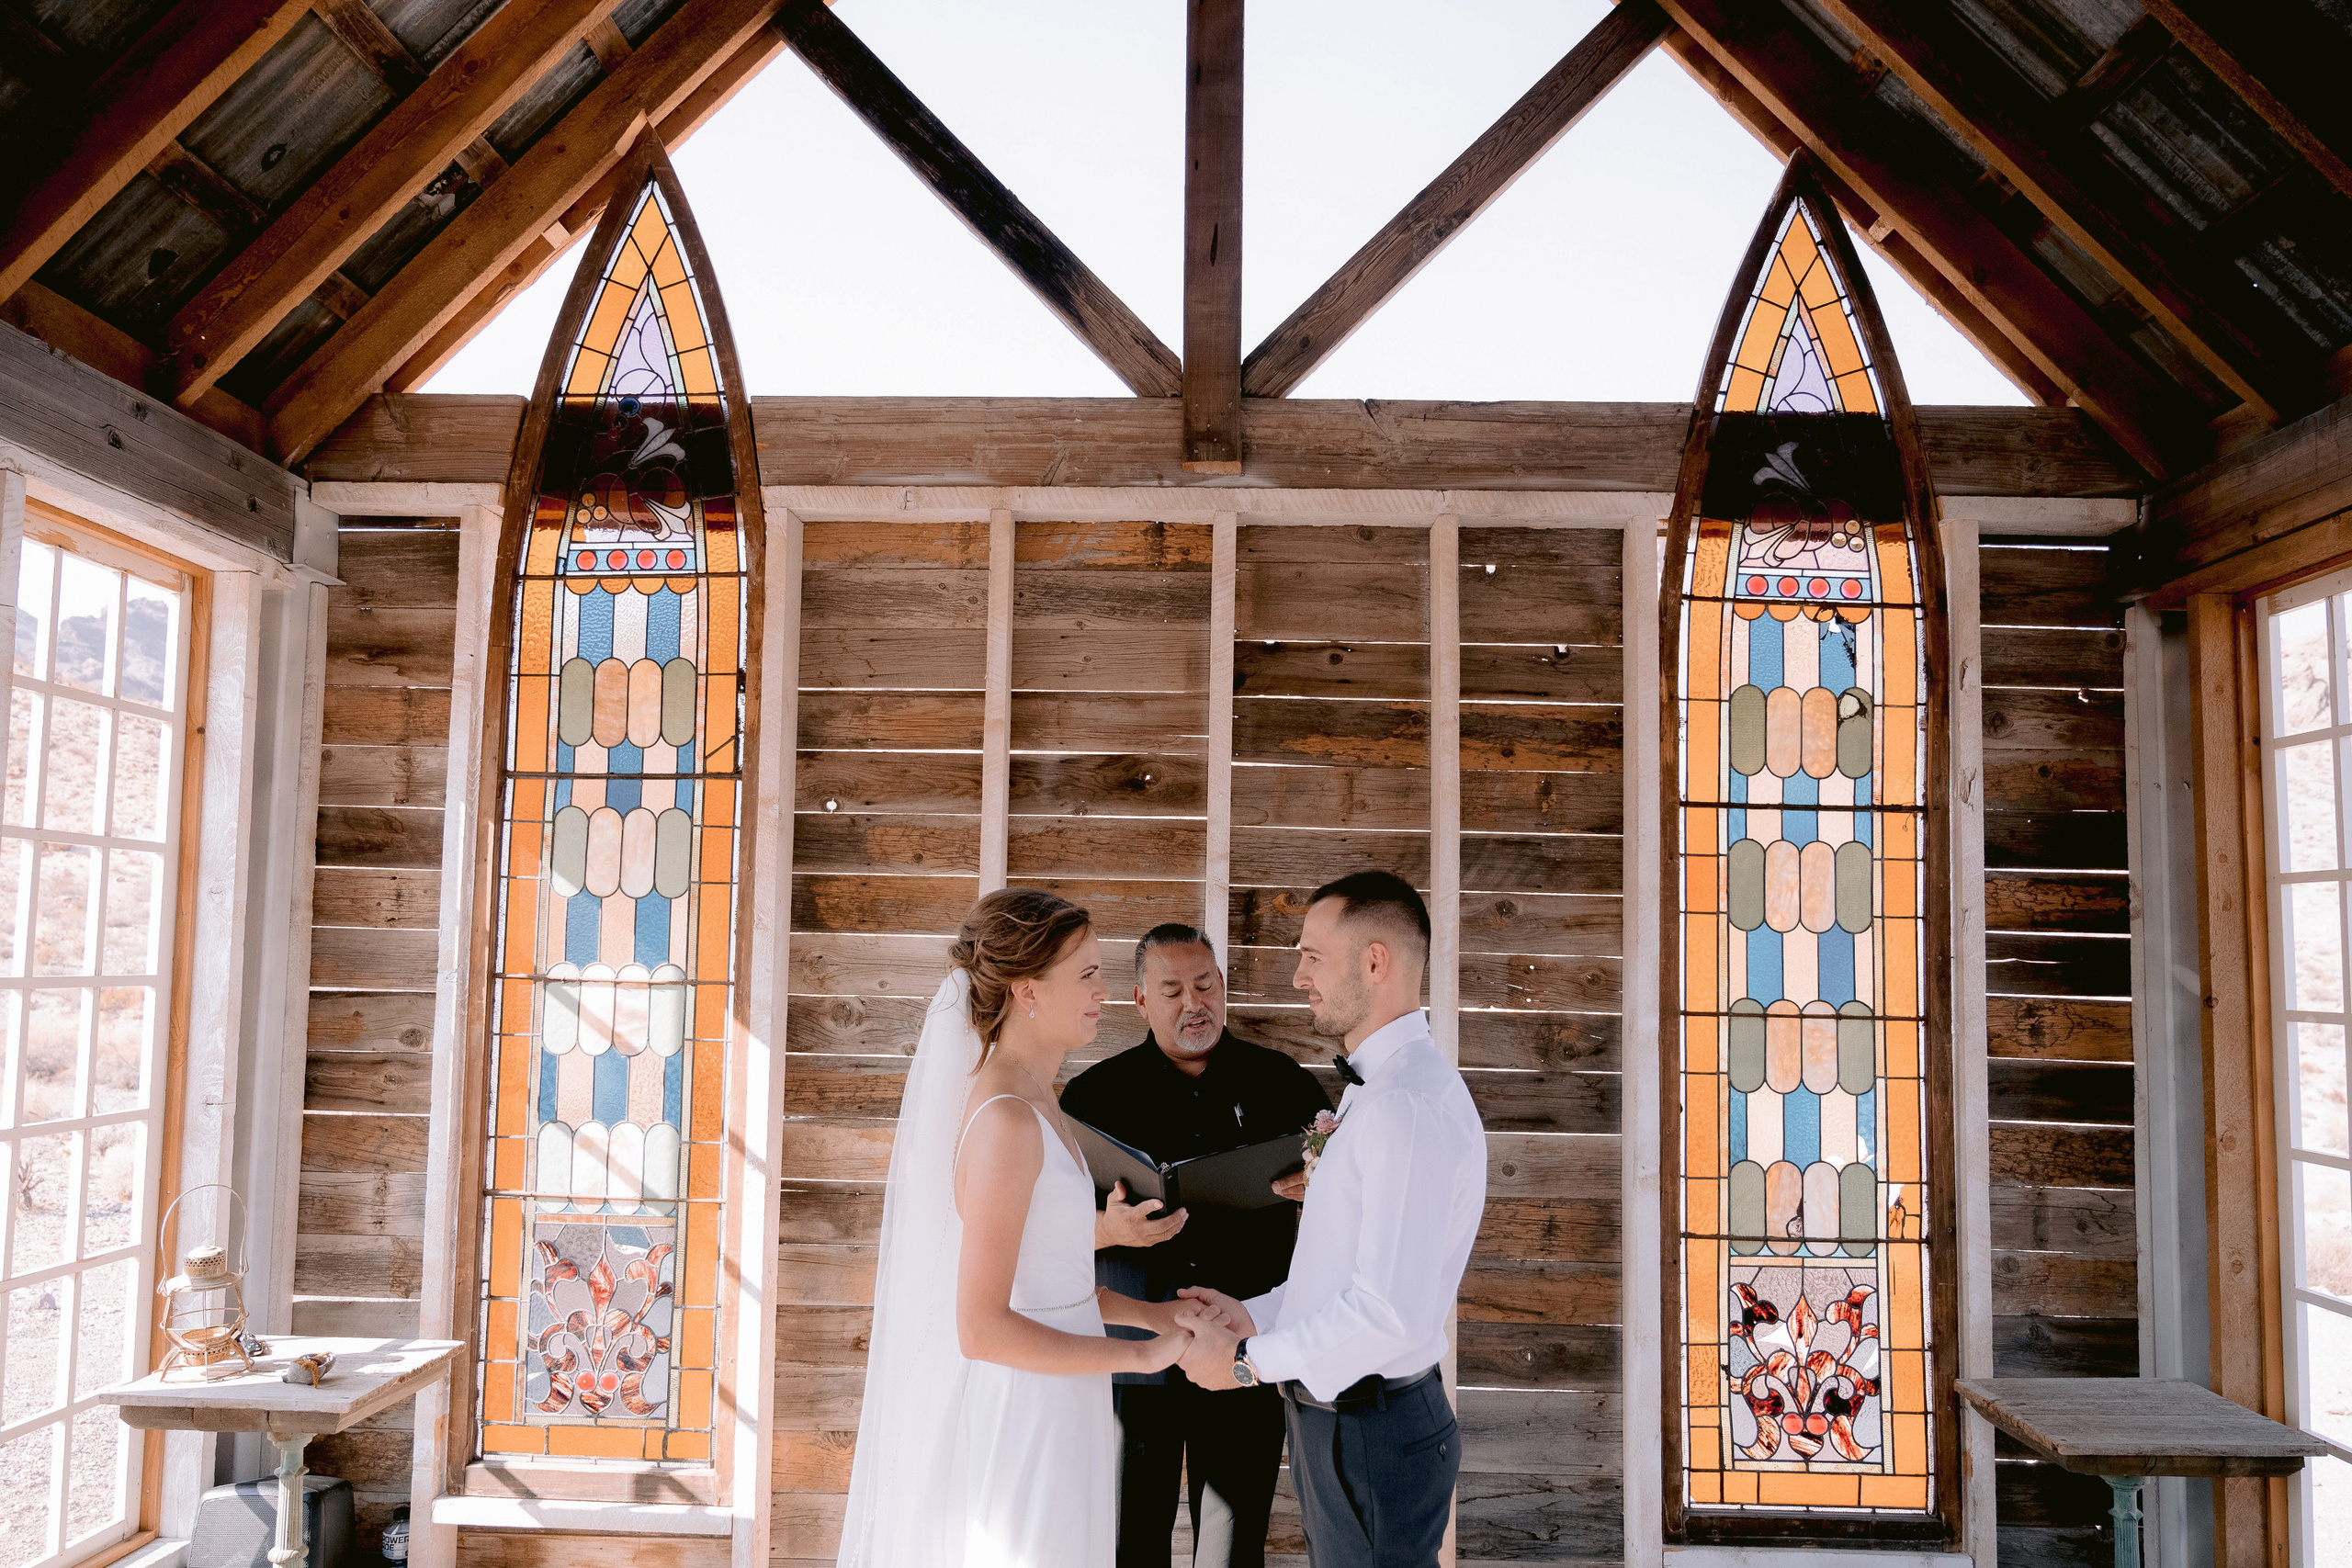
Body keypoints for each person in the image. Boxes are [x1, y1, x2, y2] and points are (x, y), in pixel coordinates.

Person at [837, 889, 1196, 1568]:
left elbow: (1049, 1280)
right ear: (1028, 989)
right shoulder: (1006, 1117)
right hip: (1026, 1412)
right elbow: (982, 1327)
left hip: (1064, 1402)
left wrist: (1157, 1315)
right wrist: (1143, 1355)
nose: (1104, 989)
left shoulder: (1040, 1099)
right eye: (1087, 973)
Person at [1173, 872, 1487, 1568]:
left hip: (1371, 1432)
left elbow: (1389, 1314)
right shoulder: (1375, 1094)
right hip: (1343, 1423)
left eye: (1313, 955)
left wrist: (1245, 1365)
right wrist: (1254, 1315)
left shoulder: (1406, 1107)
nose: (1296, 976)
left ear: (1375, 961)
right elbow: (1345, 1273)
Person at [1059, 923, 1332, 1568]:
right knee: (1130, 1544)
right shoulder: (1090, 1098)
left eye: (1206, 985)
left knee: (1234, 1549)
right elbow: (1041, 1235)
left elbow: (1353, 1206)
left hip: (1242, 1347)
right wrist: (1108, 1228)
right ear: (1140, 1000)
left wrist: (1317, 1194)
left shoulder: (1284, 1082)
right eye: (1173, 989)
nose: (1194, 1003)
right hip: (1130, 1359)